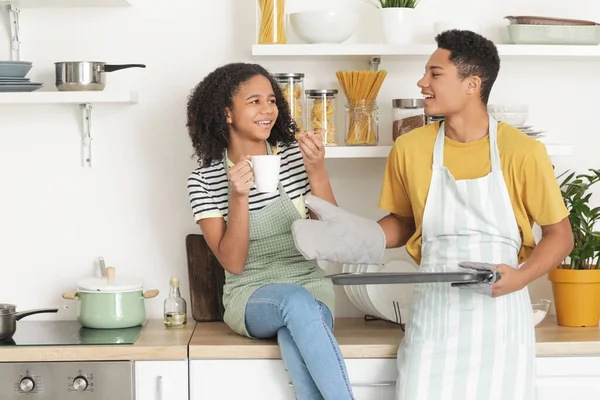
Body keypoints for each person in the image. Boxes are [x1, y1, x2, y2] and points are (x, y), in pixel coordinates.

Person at [291, 30, 574, 400]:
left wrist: (520, 278)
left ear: (472, 84)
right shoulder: (410, 147)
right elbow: (406, 222)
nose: (422, 82)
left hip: (501, 319)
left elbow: (560, 235)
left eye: (435, 74)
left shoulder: (523, 152)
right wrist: (360, 237)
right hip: (434, 318)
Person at [186, 62, 355, 400]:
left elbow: (333, 237)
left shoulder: (294, 158)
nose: (268, 110)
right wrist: (238, 197)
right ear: (227, 114)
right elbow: (232, 263)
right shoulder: (203, 180)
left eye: (272, 100)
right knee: (293, 301)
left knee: (295, 333)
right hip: (249, 294)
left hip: (310, 285)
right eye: (254, 101)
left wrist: (317, 170)